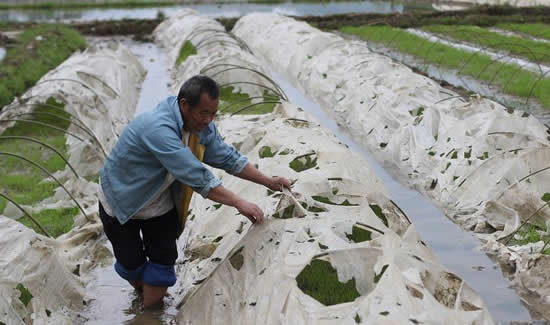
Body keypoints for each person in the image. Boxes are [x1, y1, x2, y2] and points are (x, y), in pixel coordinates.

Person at [98, 75, 291, 307]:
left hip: (159, 204)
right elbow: (196, 175)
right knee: (132, 266)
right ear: (184, 105)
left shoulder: (200, 126)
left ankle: (149, 312)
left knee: (162, 267)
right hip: (121, 201)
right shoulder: (157, 128)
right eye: (204, 113)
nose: (209, 120)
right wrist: (239, 203)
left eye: (213, 114)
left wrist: (268, 182)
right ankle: (145, 297)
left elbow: (228, 158)